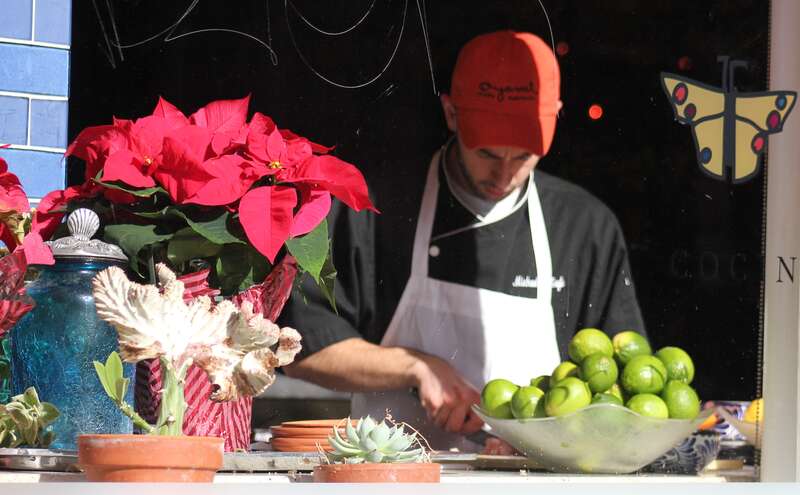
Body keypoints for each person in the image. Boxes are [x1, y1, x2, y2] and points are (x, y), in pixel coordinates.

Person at [279, 30, 645, 452]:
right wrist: (416, 367)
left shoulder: (585, 227)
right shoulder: (377, 204)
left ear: (557, 117)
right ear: (451, 114)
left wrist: (543, 437)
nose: (504, 174)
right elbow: (301, 344)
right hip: (396, 477)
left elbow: (618, 387)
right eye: (487, 154)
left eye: (524, 155)